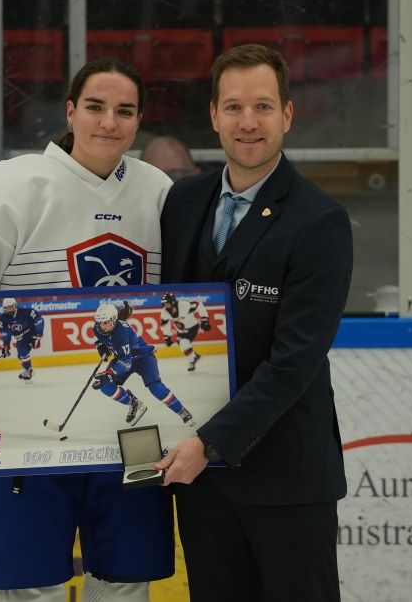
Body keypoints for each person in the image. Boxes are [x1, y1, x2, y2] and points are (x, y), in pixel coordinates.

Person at [0, 58, 174, 601]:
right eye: (96, 107)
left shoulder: (159, 191)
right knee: (30, 586)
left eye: (124, 111)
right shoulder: (8, 187)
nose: (109, 122)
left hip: (134, 432)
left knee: (128, 581)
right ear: (70, 111)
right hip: (23, 419)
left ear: (139, 119)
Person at [154, 44, 353, 602]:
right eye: (234, 107)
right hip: (201, 483)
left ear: (287, 115)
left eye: (263, 107)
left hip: (285, 479)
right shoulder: (182, 202)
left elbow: (294, 363)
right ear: (213, 116)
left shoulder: (321, 221)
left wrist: (209, 443)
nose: (248, 122)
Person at [91, 302, 196, 427]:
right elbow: (108, 340)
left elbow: (126, 363)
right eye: (100, 322)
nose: (102, 326)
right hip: (123, 357)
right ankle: (134, 403)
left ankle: (182, 411)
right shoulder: (97, 328)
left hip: (143, 358)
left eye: (105, 322)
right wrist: (101, 345)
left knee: (156, 389)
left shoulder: (122, 332)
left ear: (114, 319)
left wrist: (109, 373)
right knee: (106, 387)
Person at [159, 291, 211, 372]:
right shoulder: (164, 312)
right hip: (181, 331)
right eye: (164, 304)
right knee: (183, 347)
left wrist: (205, 320)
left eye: (167, 303)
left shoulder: (184, 306)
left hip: (192, 328)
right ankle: (195, 356)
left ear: (172, 302)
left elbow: (199, 305)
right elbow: (165, 325)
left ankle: (192, 361)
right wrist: (167, 336)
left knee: (184, 344)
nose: (165, 305)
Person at [0, 297, 44, 383]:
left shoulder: (25, 312)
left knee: (23, 352)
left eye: (10, 306)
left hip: (31, 334)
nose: (8, 309)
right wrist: (6, 344)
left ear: (15, 305)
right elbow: (5, 332)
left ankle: (29, 372)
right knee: (20, 355)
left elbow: (39, 320)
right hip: (20, 337)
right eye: (6, 307)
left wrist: (38, 334)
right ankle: (28, 370)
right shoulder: (4, 318)